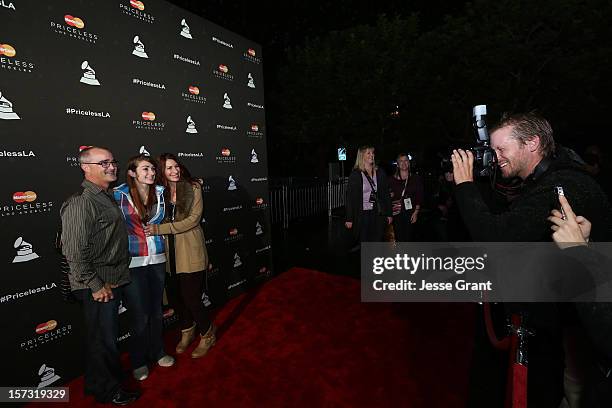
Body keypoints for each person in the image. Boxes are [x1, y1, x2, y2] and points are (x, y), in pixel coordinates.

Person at [451, 112, 612, 407]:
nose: (496, 157)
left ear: (532, 143)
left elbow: (495, 237)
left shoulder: (559, 186)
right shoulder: (558, 176)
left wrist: (464, 185)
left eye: (502, 149)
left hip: (591, 324)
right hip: (576, 319)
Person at [60, 146, 140, 405]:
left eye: (112, 162)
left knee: (104, 338)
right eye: (103, 163)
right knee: (102, 340)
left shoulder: (106, 196)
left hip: (113, 278)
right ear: (86, 167)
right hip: (96, 283)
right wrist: (95, 285)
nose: (111, 166)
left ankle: (99, 383)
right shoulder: (82, 202)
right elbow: (73, 251)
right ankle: (108, 391)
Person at [144, 153, 216, 359]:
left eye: (176, 166)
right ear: (161, 172)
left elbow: (193, 220)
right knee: (176, 298)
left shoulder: (193, 187)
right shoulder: (158, 192)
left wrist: (159, 229)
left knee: (192, 297)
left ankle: (208, 333)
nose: (175, 170)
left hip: (190, 249)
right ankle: (187, 330)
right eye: (168, 168)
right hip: (168, 253)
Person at [113, 154, 175, 381]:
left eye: (152, 169)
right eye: (145, 169)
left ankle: (158, 351)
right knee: (140, 316)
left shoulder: (159, 192)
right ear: (132, 173)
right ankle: (138, 361)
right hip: (133, 262)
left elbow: (162, 222)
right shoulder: (118, 195)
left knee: (157, 311)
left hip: (157, 259)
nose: (151, 173)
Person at [344, 146, 392, 244]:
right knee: (364, 241)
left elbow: (385, 194)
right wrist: (349, 218)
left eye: (373, 153)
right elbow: (350, 198)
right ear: (362, 156)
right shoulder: (356, 174)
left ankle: (374, 258)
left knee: (377, 240)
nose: (372, 155)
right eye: (368, 153)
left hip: (377, 212)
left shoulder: (380, 172)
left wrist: (389, 213)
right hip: (362, 214)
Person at [389, 153, 423, 242]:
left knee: (409, 238)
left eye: (406, 161)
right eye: (401, 161)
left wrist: (416, 212)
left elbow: (419, 197)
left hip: (410, 212)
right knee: (399, 238)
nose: (403, 163)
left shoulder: (415, 178)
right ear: (397, 164)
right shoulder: (391, 180)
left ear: (409, 163)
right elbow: (386, 196)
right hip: (397, 213)